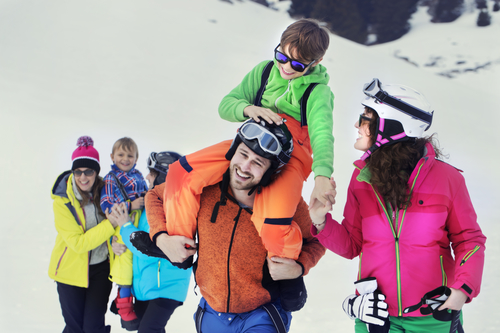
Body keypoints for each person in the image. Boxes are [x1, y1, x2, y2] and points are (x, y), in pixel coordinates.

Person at [309, 78, 486, 333]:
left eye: (366, 118)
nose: (357, 125)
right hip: (375, 316)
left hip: (433, 316)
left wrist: (461, 291)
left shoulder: (448, 179)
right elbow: (352, 245)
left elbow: (469, 241)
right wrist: (320, 221)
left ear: (391, 126)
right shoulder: (362, 179)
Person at [162, 18, 335, 266]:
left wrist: (322, 177)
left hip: (290, 157)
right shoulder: (265, 71)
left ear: (315, 62)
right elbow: (226, 105)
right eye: (282, 56)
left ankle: (288, 259)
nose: (285, 67)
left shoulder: (318, 92)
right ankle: (182, 245)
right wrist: (248, 109)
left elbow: (322, 135)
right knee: (182, 172)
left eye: (297, 64)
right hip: (251, 143)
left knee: (272, 227)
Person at [147, 120, 326, 332]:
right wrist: (161, 237)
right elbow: (155, 195)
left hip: (262, 313)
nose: (245, 167)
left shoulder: (287, 205)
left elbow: (316, 240)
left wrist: (299, 267)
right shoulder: (204, 188)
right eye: (243, 154)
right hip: (212, 312)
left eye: (258, 163)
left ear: (269, 171)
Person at [110, 151, 192, 333]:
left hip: (166, 287)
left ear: (164, 177)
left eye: (152, 173)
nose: (147, 176)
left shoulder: (175, 209)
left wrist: (125, 228)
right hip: (146, 286)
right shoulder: (152, 202)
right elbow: (133, 235)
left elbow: (146, 246)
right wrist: (116, 242)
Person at [48, 136, 119, 333]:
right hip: (70, 272)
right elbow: (78, 244)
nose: (83, 177)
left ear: (96, 172)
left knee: (93, 327)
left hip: (101, 270)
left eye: (89, 171)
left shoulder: (107, 193)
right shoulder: (63, 201)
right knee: (75, 328)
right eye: (78, 172)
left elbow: (124, 217)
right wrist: (110, 223)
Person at [100, 137, 148, 330]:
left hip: (139, 224)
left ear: (136, 158)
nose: (125, 159)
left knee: (139, 262)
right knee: (125, 265)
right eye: (121, 155)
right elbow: (107, 207)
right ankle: (124, 307)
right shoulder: (111, 179)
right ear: (112, 156)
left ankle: (131, 300)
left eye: (130, 155)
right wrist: (131, 205)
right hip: (122, 223)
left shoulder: (139, 176)